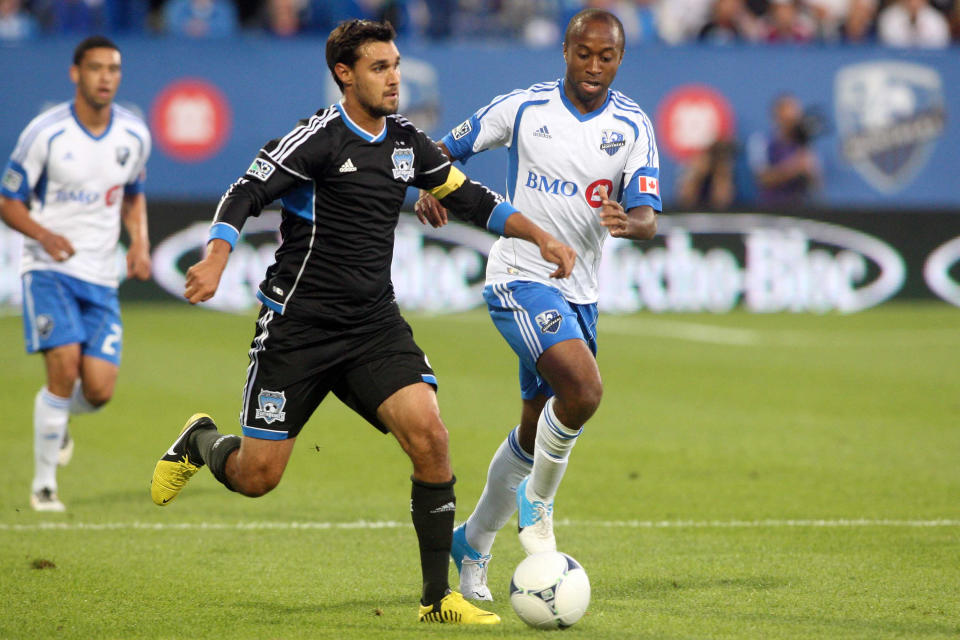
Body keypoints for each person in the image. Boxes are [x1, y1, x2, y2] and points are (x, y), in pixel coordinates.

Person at [148, 19, 576, 625]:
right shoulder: (317, 140)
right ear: (345, 75)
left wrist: (541, 237)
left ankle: (436, 600)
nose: (395, 77)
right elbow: (245, 191)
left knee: (430, 436)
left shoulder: (406, 144)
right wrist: (217, 253)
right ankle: (200, 441)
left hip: (372, 327)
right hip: (298, 329)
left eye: (396, 65)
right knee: (256, 477)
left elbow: (471, 199)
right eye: (380, 68)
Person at [415, 8, 660, 601]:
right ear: (566, 50)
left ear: (620, 60)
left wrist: (630, 222)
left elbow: (649, 215)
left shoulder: (632, 126)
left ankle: (471, 544)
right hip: (519, 277)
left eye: (606, 57)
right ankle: (539, 504)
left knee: (534, 432)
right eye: (584, 53)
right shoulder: (523, 109)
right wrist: (430, 185)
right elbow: (443, 151)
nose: (594, 66)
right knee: (584, 390)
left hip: (581, 292)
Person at [0, 35, 152, 512]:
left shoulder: (133, 135)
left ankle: (59, 419)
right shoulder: (45, 133)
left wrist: (141, 242)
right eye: (96, 68)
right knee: (63, 369)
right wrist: (43, 236)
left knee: (100, 390)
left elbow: (132, 193)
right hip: (48, 270)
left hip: (101, 275)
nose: (106, 77)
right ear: (75, 73)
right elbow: (9, 201)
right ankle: (44, 485)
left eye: (114, 69)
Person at [747, 92, 822, 206]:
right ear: (777, 117)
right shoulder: (761, 141)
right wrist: (793, 168)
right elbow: (762, 178)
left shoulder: (805, 145)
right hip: (771, 208)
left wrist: (811, 172)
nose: (793, 120)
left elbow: (817, 185)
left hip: (801, 208)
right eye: (788, 117)